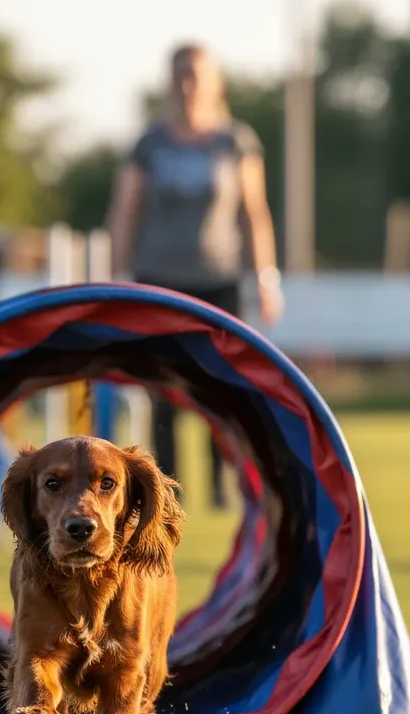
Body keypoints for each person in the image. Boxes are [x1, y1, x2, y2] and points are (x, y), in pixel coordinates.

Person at [106, 42, 285, 507]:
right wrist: (117, 276)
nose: (188, 84)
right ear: (171, 82)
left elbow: (254, 212)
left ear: (213, 83)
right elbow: (125, 210)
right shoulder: (151, 144)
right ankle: (170, 487)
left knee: (218, 385)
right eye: (181, 75)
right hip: (158, 278)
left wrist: (266, 276)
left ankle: (220, 481)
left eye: (196, 75)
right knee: (164, 386)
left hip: (218, 280)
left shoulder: (234, 141)